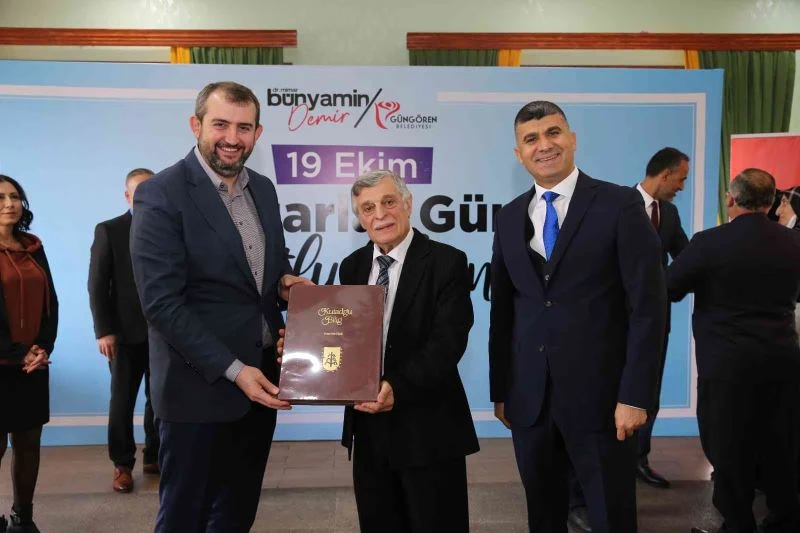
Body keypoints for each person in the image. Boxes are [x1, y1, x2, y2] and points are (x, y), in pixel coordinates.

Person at [130, 81, 309, 532]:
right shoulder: (161, 193)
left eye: (244, 127)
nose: (232, 138)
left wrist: (285, 285)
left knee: (237, 513)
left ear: (257, 133)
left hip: (262, 382)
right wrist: (233, 369)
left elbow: (268, 269)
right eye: (221, 124)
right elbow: (161, 304)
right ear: (196, 125)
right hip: (197, 388)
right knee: (185, 516)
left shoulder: (263, 189)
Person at [489, 101, 666, 533]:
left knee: (611, 516)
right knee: (543, 516)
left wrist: (636, 396)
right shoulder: (509, 216)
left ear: (572, 139)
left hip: (604, 403)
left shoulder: (619, 204)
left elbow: (649, 307)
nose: (543, 145)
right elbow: (504, 310)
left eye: (553, 133)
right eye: (531, 139)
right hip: (530, 401)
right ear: (518, 153)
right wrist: (502, 389)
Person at [338, 170, 479, 533]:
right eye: (368, 208)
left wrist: (396, 386)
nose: (380, 215)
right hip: (369, 430)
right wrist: (305, 353)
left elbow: (448, 342)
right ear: (360, 217)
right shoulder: (352, 266)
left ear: (407, 203)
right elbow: (346, 339)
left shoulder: (447, 261)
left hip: (428, 429)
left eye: (388, 202)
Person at [668, 169, 800, 533]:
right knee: (781, 445)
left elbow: (669, 287)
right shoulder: (794, 242)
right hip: (783, 362)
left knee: (727, 447)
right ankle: (784, 520)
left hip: (727, 365)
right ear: (772, 202)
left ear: (730, 199)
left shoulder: (709, 243)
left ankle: (738, 524)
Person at [88, 167, 160, 493]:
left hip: (164, 333)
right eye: (138, 190)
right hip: (122, 334)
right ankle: (122, 464)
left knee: (160, 399)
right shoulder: (109, 230)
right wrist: (103, 331)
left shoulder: (171, 228)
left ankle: (154, 456)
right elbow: (97, 285)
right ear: (127, 195)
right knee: (122, 401)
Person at [0, 175, 58, 533]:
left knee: (28, 444)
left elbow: (52, 302)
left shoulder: (33, 247)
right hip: (3, 362)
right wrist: (16, 351)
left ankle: (23, 518)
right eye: (0, 198)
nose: (9, 203)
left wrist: (43, 348)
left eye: (14, 196)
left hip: (31, 365)